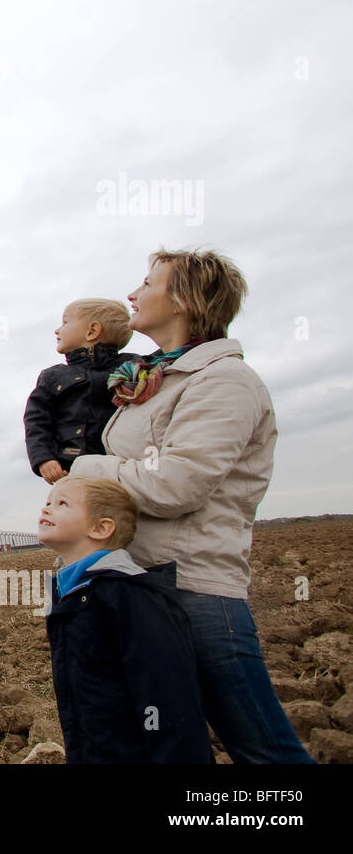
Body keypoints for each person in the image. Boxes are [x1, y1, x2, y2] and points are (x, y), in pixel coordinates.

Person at [68, 248, 314, 763]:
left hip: (194, 591)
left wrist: (87, 469)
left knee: (266, 753)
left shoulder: (224, 381)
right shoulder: (156, 379)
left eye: (147, 282)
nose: (132, 293)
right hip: (151, 585)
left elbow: (177, 484)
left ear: (183, 299)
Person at [39, 475, 213, 763]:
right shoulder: (71, 592)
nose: (46, 509)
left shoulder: (130, 594)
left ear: (101, 528)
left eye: (61, 503)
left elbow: (167, 694)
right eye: (47, 502)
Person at [24, 299, 140, 483]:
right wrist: (44, 458)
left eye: (65, 322)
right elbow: (37, 421)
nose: (57, 329)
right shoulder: (52, 377)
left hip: (123, 469)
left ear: (92, 331)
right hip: (72, 469)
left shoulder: (133, 366)